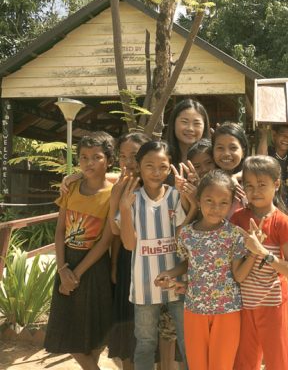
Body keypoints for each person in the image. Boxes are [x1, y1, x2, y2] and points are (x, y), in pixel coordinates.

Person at [155, 169, 251, 370]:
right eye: (209, 201)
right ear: (198, 200)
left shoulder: (234, 235)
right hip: (194, 308)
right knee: (198, 365)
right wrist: (170, 274)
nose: (216, 208)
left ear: (232, 203)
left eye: (223, 202)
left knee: (221, 366)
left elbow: (237, 273)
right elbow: (190, 263)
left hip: (227, 310)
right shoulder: (186, 234)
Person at [116, 141, 197, 370]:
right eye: (149, 165)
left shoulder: (174, 196)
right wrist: (123, 209)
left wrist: (190, 203)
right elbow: (129, 244)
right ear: (139, 166)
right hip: (143, 287)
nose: (156, 171)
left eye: (162, 166)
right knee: (145, 343)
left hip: (177, 283)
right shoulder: (131, 199)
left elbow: (183, 235)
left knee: (186, 341)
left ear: (170, 166)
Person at [44, 131, 116, 369]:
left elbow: (105, 241)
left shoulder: (112, 193)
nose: (89, 163)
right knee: (67, 329)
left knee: (94, 333)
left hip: (94, 268)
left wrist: (77, 273)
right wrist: (63, 269)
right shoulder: (71, 189)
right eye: (83, 157)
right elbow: (60, 230)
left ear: (109, 160)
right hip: (68, 264)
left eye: (96, 157)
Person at [231, 155, 288, 370]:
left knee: (277, 360)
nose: (255, 191)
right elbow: (237, 273)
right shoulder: (238, 219)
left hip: (273, 303)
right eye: (249, 185)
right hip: (245, 303)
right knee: (244, 361)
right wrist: (252, 253)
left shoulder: (282, 221)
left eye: (262, 185)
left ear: (276, 184)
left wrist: (262, 252)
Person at [107, 132, 151, 369]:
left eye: (134, 155)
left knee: (150, 330)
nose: (128, 162)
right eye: (123, 156)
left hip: (154, 262)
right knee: (127, 325)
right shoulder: (119, 187)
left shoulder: (159, 186)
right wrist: (114, 265)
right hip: (127, 261)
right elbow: (114, 232)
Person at [165, 98, 211, 168]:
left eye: (196, 123)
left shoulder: (213, 157)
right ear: (173, 124)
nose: (190, 128)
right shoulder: (163, 156)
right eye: (184, 122)